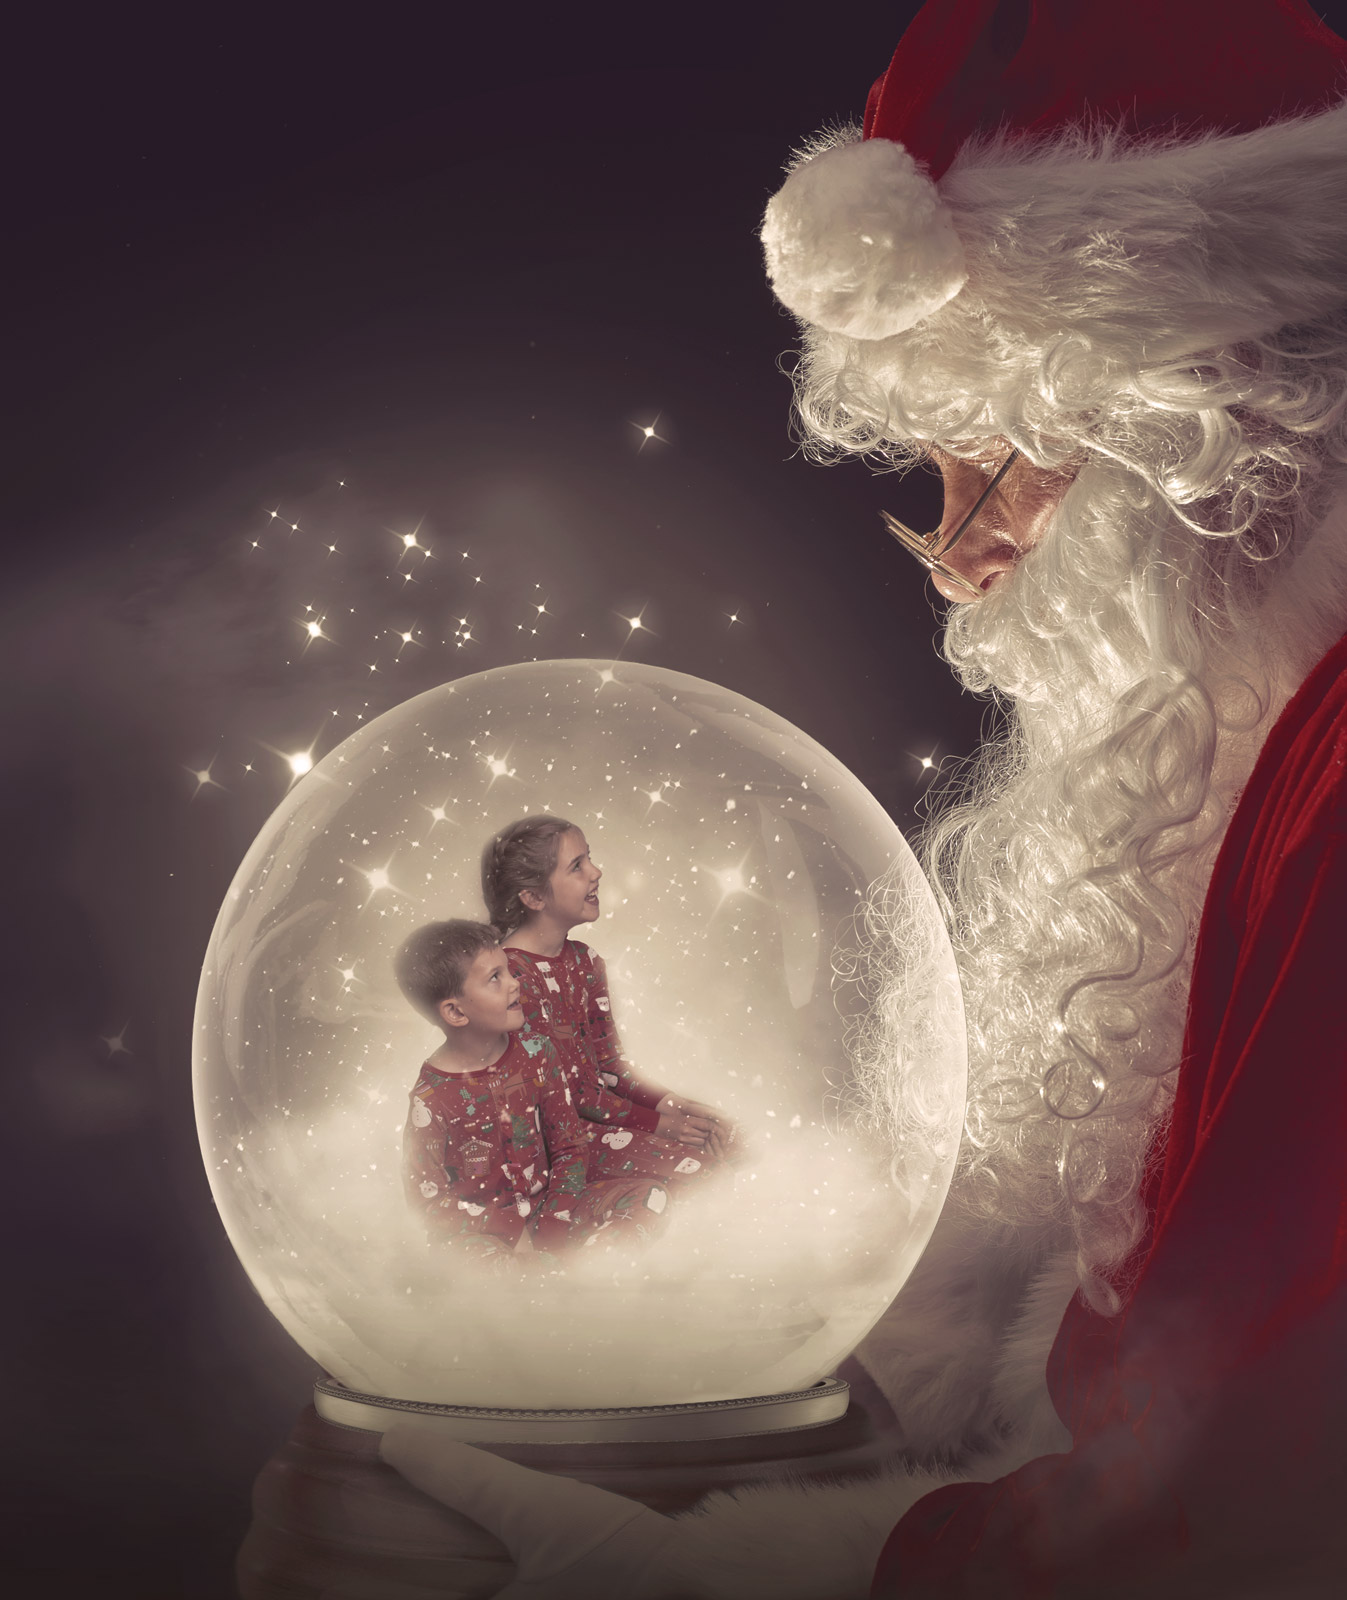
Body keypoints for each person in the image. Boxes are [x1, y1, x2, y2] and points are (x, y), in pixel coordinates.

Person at [380, 1, 1347, 1592]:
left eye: (1009, 462)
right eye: (934, 479)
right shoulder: (1261, 745)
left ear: (1217, 411)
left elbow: (1255, 1511)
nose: (959, 563)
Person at [397, 919, 669, 1260]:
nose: (514, 984)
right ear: (454, 1011)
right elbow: (426, 1201)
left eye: (510, 971)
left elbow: (569, 1147)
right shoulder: (431, 1099)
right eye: (495, 978)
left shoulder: (537, 1052)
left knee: (650, 1196)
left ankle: (586, 1277)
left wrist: (556, 1221)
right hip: (484, 1236)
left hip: (551, 1212)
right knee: (479, 1263)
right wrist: (508, 1230)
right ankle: (536, 1291)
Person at [482, 814, 731, 1186]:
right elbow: (570, 1095)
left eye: (590, 859)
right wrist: (663, 1125)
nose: (596, 872)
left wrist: (678, 1105)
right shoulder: (512, 978)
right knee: (704, 1171)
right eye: (577, 866)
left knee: (730, 1140)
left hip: (608, 1122)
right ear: (533, 897)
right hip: (561, 1145)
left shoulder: (585, 961)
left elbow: (610, 1066)